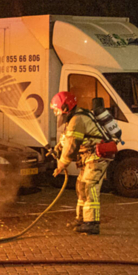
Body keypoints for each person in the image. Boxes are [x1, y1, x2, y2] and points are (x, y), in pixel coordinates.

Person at [52, 91, 112, 235]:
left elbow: (71, 146)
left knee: (89, 187)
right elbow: (68, 137)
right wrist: (57, 148)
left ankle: (92, 224)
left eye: (56, 109)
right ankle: (81, 219)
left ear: (66, 107)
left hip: (97, 158)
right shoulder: (75, 117)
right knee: (81, 186)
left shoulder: (77, 119)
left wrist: (61, 165)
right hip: (89, 158)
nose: (56, 113)